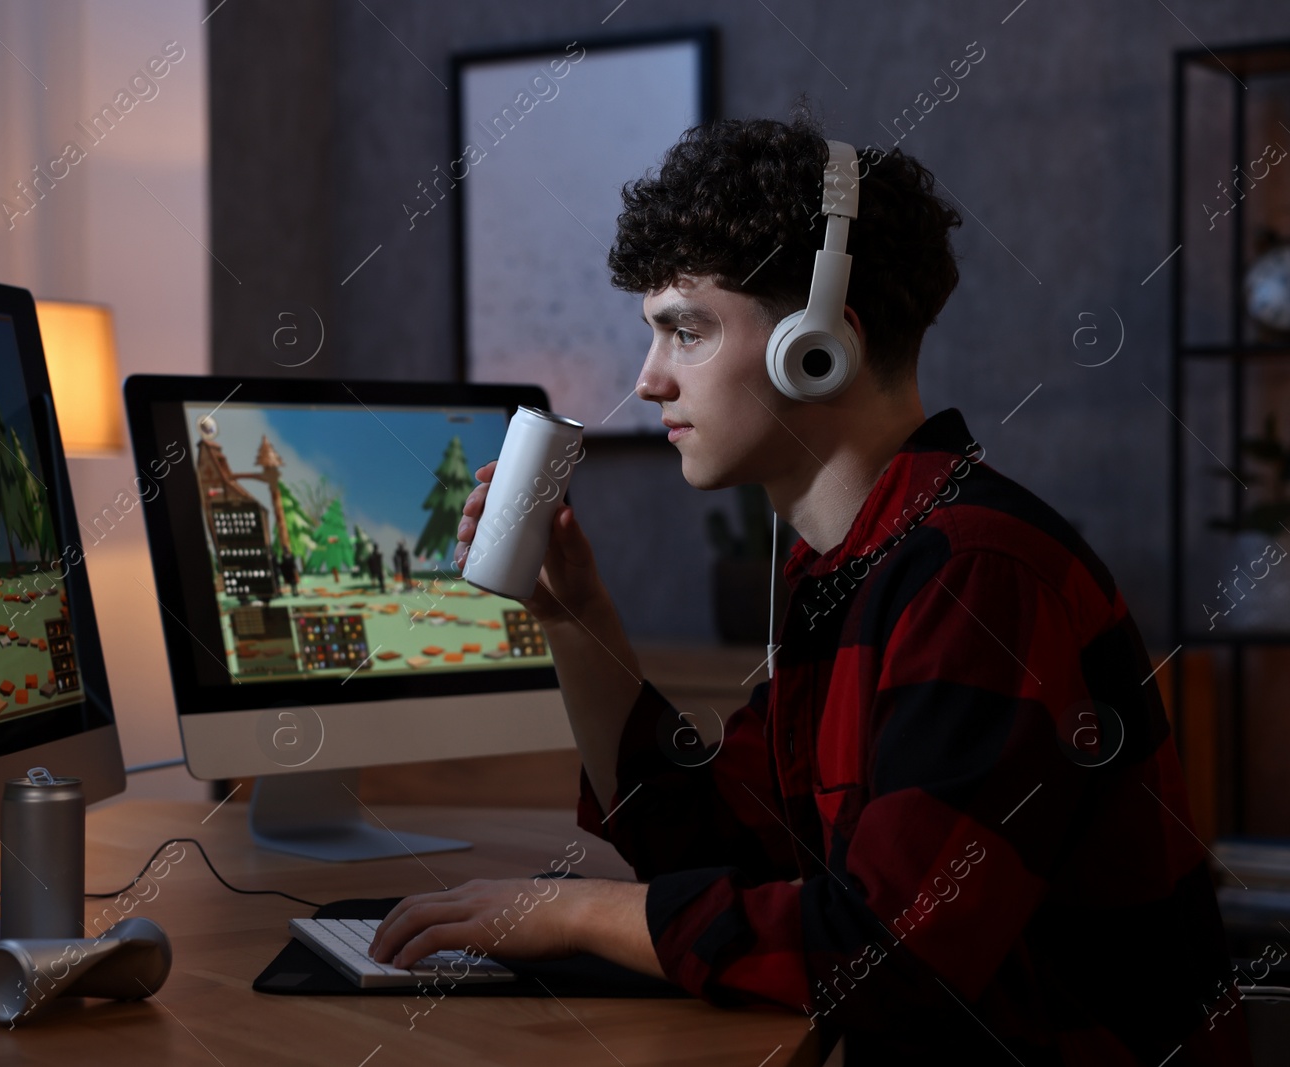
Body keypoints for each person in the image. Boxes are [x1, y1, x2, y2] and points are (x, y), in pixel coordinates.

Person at [365, 112, 1249, 1064]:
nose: (649, 378)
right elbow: (713, 844)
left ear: (820, 345)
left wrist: (577, 912)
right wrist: (577, 619)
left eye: (686, 331)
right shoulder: (852, 563)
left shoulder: (976, 576)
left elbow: (889, 955)